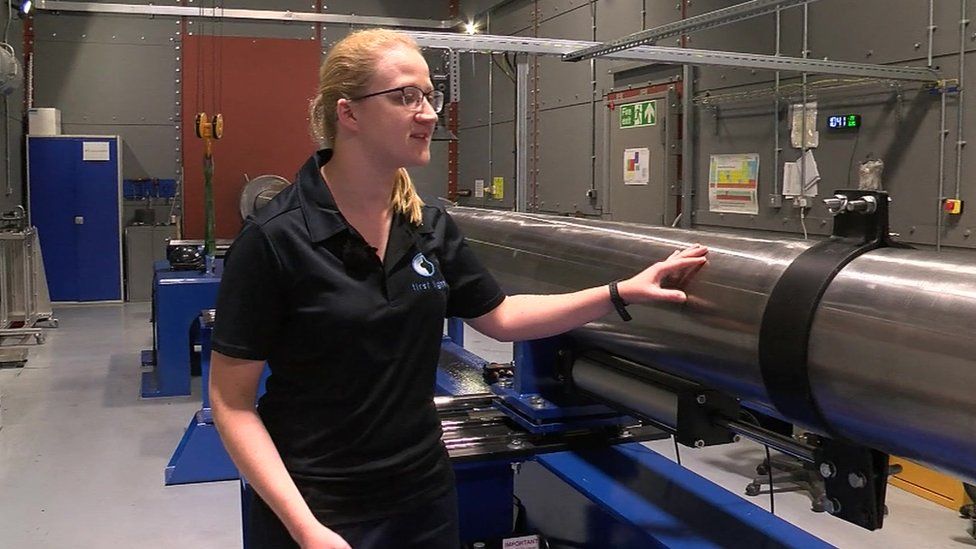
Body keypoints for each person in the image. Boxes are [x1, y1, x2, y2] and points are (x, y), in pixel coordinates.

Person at [209, 28, 708, 549]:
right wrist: (306, 529)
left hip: (422, 498)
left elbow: (501, 317)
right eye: (405, 96)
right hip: (316, 504)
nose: (428, 112)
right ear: (349, 114)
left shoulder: (427, 226)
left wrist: (621, 292)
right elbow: (232, 404)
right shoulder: (276, 239)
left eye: (430, 95)